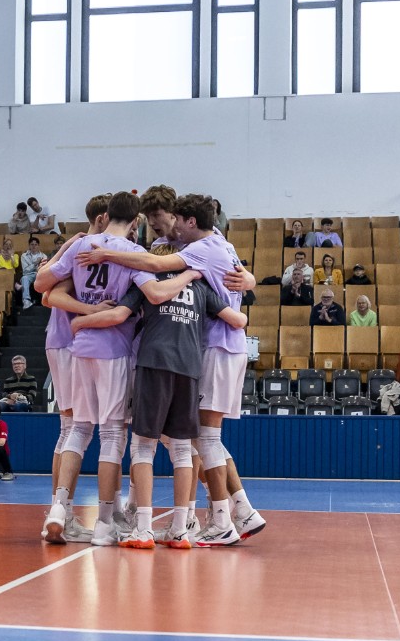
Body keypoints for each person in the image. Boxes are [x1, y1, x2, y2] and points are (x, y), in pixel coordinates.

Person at [76, 191, 264, 545]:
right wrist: (247, 286)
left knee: (183, 441)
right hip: (201, 353)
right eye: (150, 220)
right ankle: (214, 514)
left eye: (163, 218)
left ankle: (207, 518)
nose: (159, 225)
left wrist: (101, 261)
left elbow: (151, 278)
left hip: (197, 350)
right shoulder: (201, 252)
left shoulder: (190, 254)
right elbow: (239, 316)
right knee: (192, 441)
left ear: (183, 219)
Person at [39, 190, 149, 545]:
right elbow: (154, 289)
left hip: (79, 345)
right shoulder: (132, 253)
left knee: (77, 429)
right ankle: (104, 522)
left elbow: (44, 285)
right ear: (135, 221)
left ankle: (59, 508)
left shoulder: (81, 245)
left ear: (106, 215)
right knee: (113, 434)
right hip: (113, 346)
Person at [19, 235, 47, 309]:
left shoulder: (44, 256)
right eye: (32, 244)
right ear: (29, 246)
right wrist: (35, 263)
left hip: (40, 274)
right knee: (24, 278)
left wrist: (36, 269)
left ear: (38, 246)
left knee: (46, 277)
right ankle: (26, 301)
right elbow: (25, 271)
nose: (34, 246)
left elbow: (44, 269)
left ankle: (45, 300)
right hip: (29, 275)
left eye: (35, 244)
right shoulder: (24, 256)